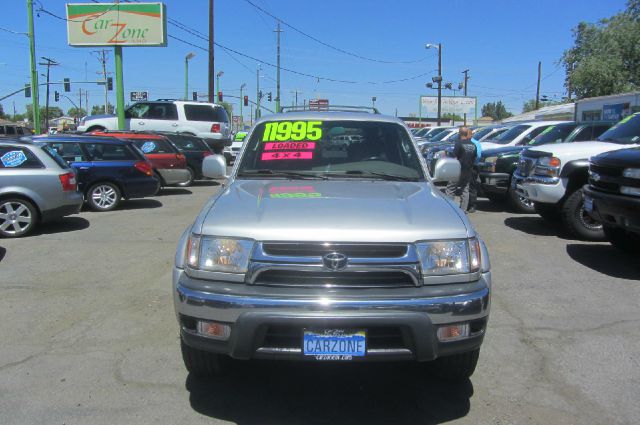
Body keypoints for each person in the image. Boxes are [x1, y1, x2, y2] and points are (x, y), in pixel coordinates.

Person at [453, 127, 477, 212]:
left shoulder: (458, 144)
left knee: (450, 189)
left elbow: (454, 157)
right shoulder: (474, 145)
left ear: (459, 133)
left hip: (458, 170)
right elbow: (474, 158)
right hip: (468, 170)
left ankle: (450, 209)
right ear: (467, 133)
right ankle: (463, 210)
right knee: (465, 190)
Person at [467, 133, 482, 213]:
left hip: (473, 167)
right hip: (465, 167)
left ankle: (472, 205)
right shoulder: (464, 142)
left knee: (472, 186)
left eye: (467, 134)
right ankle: (466, 204)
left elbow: (478, 156)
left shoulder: (475, 143)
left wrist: (471, 162)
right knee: (465, 186)